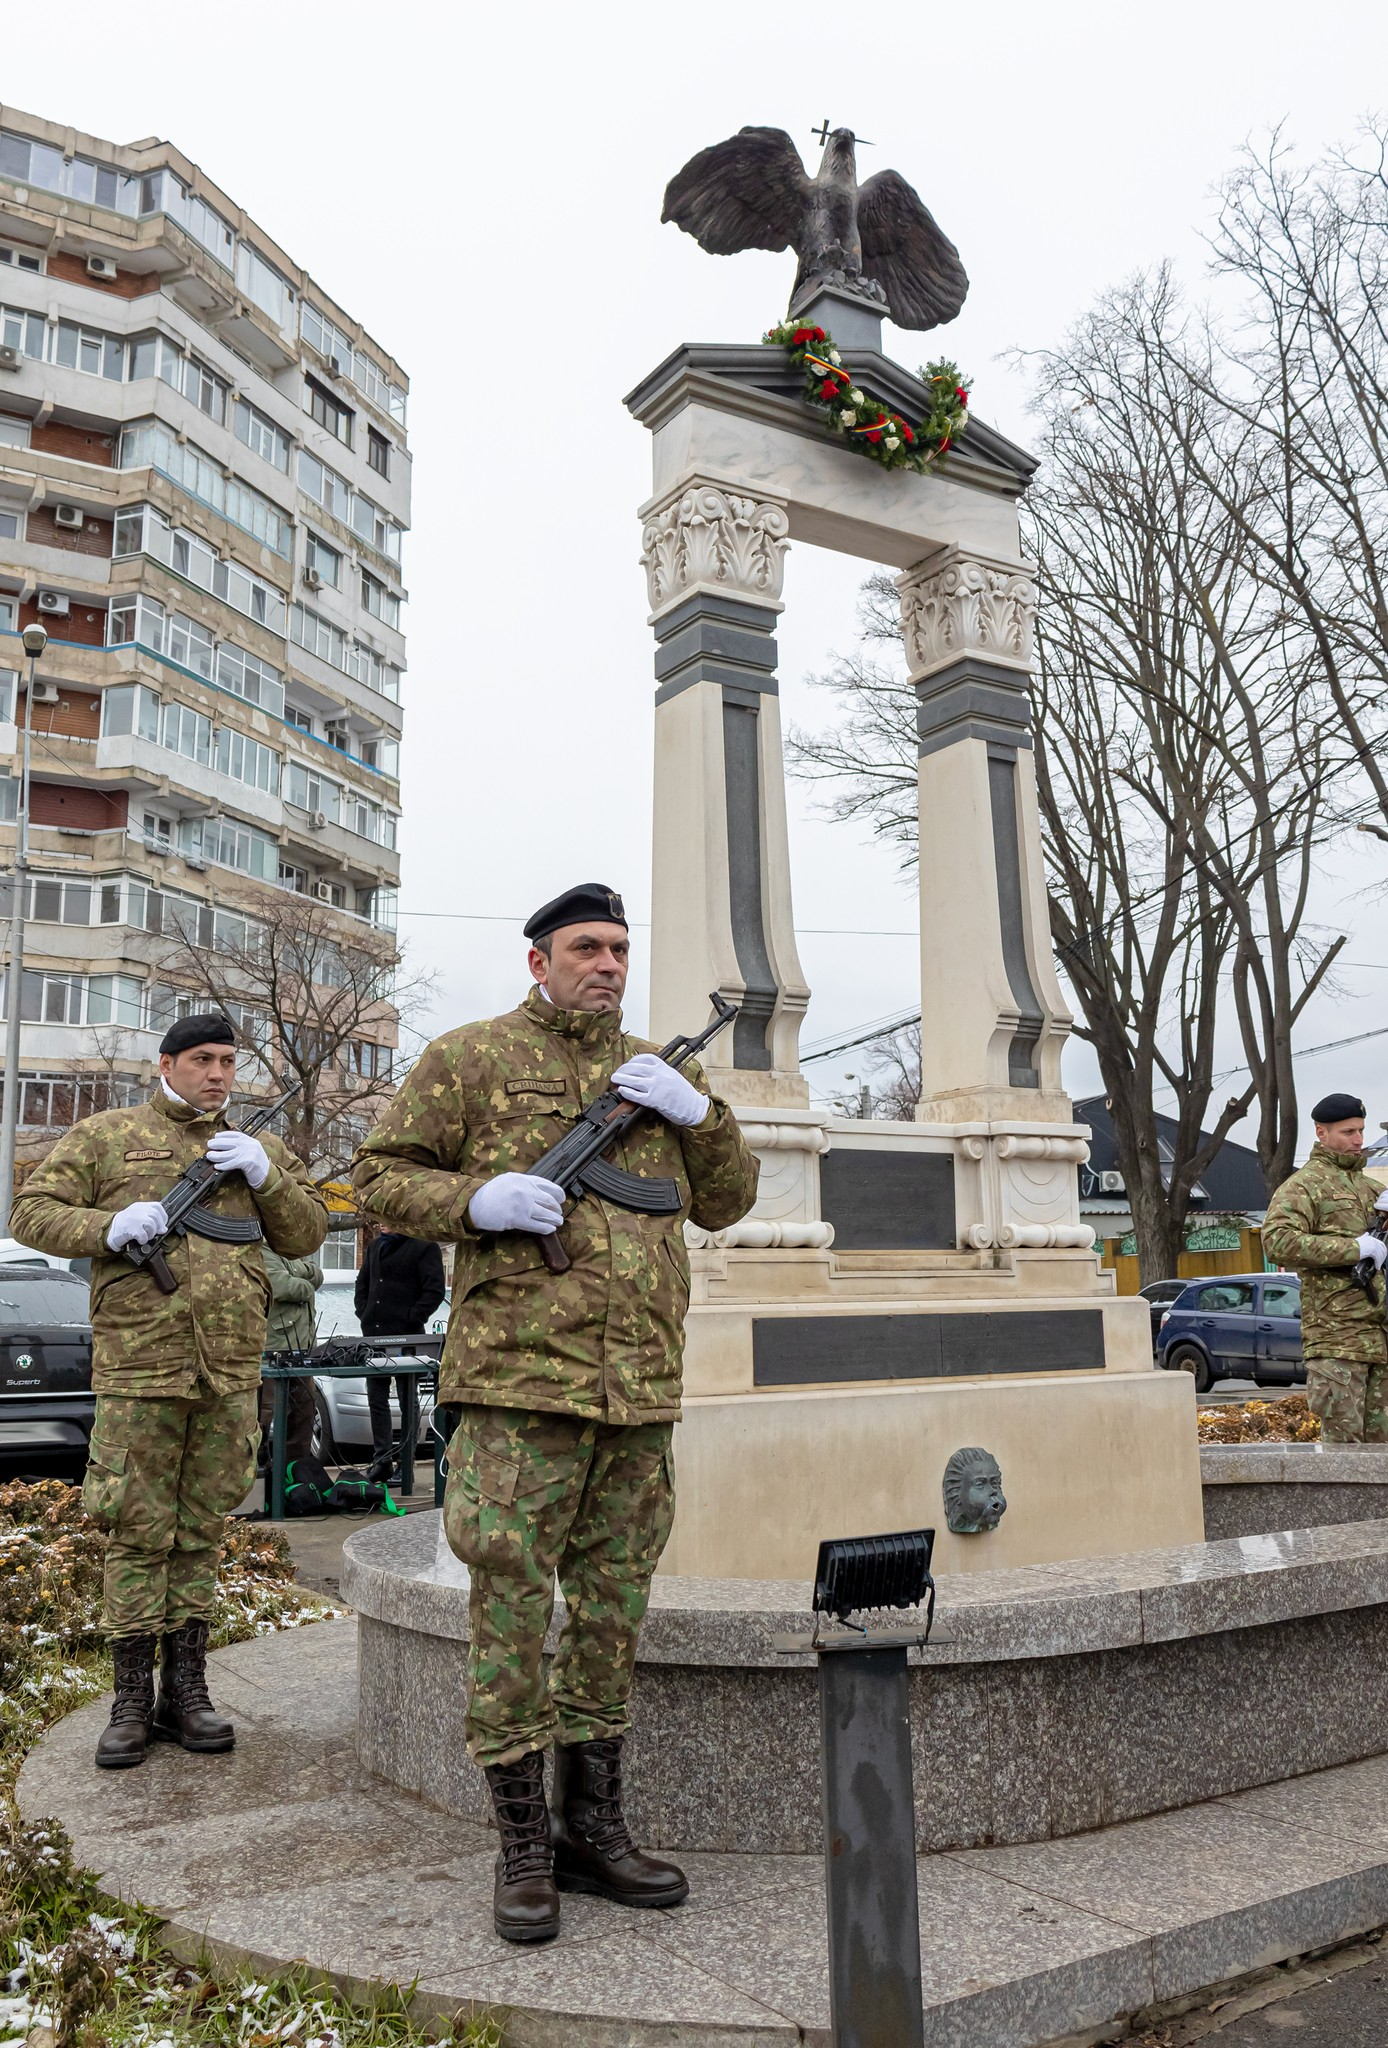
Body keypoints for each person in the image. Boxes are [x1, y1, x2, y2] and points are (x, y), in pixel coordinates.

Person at [351, 882, 758, 1944]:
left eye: (620, 947)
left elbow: (728, 1198)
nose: (608, 963)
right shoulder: (471, 1058)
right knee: (511, 1608)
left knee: (614, 1606)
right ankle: (522, 1841)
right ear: (538, 959)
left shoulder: (664, 1074)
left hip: (638, 1389)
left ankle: (595, 1825)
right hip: (518, 1385)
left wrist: (695, 1113)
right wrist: (475, 1198)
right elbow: (379, 1178)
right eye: (587, 946)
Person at [10, 1015, 330, 1769]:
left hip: (227, 1373)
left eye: (226, 1061)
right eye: (201, 1061)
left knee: (200, 1531)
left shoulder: (257, 1151)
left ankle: (186, 1691)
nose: (216, 1074)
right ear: (167, 1064)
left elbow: (309, 1232)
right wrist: (110, 1224)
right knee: (135, 1531)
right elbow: (31, 1212)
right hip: (141, 1371)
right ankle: (129, 1699)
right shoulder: (108, 1136)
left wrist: (267, 1175)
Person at [1262, 1091, 1388, 1442]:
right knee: (1344, 1459)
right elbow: (1277, 1242)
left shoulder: (1372, 1191)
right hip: (1336, 1342)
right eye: (1348, 1132)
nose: (1359, 1140)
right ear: (1321, 1132)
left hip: (1380, 1337)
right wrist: (1353, 1248)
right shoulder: (1303, 1187)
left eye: (1361, 1130)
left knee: (1383, 1459)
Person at [354, 1228, 447, 1482]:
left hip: (408, 1338)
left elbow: (435, 1291)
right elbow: (362, 1284)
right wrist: (364, 1311)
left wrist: (412, 1316)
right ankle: (382, 1460)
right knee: (377, 1398)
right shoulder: (375, 1246)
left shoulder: (424, 1246)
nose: (382, 1222)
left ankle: (406, 1464)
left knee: (408, 1400)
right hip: (373, 1335)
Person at [258, 1248, 325, 1467]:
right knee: (264, 1418)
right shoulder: (263, 1247)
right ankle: (265, 1482)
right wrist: (308, 1282)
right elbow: (282, 1287)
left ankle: (294, 1477)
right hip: (272, 1352)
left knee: (302, 1417)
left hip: (303, 1352)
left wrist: (296, 1270)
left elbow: (319, 1275)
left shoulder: (292, 1250)